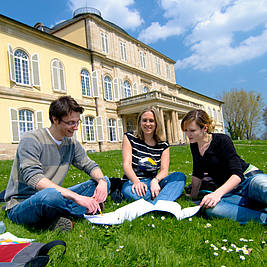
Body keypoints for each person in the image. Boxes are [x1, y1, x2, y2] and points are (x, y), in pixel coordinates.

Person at [4, 96, 110, 231]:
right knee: (51, 196)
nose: (76, 128)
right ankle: (82, 209)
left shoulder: (71, 143)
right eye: (71, 123)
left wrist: (101, 181)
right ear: (55, 119)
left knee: (104, 181)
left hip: (55, 196)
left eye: (78, 122)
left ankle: (60, 216)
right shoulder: (31, 139)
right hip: (23, 203)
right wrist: (77, 198)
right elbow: (34, 178)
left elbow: (89, 165)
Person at [181, 109, 267, 224]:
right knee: (210, 208)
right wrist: (193, 195)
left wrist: (217, 194)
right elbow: (198, 172)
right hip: (231, 191)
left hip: (248, 180)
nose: (188, 134)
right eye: (186, 130)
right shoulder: (194, 145)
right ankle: (261, 218)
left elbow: (237, 174)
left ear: (204, 128)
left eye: (192, 130)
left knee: (263, 187)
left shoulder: (222, 140)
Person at [121, 106, 186, 204]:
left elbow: (164, 171)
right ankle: (162, 200)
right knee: (130, 192)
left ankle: (154, 201)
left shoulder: (163, 145)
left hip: (153, 182)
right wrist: (136, 182)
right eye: (144, 120)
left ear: (157, 123)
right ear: (140, 122)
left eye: (151, 121)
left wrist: (155, 181)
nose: (147, 124)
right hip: (132, 182)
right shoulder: (130, 137)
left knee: (179, 177)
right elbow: (127, 164)